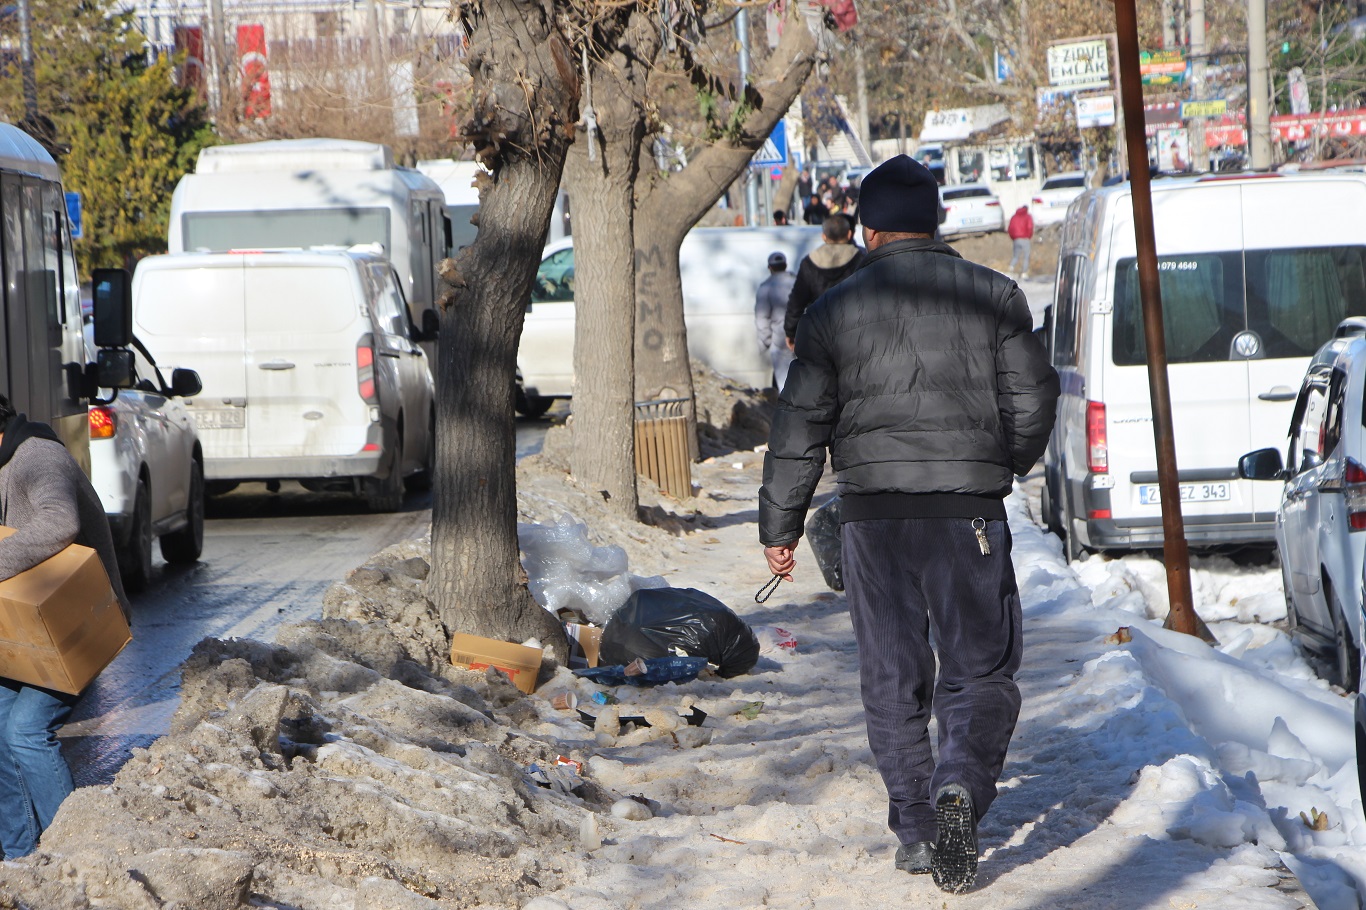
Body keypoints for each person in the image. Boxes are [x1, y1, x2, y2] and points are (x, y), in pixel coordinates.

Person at [758, 155, 1059, 894]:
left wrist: (781, 524)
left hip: (873, 521)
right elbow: (1033, 402)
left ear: (866, 227)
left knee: (892, 676)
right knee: (979, 669)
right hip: (967, 519)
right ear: (937, 220)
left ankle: (921, 829)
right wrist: (998, 468)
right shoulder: (995, 296)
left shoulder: (831, 313)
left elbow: (800, 424)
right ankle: (959, 782)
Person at [0, 395, 129, 860]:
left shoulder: (39, 457)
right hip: (24, 629)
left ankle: (77, 854)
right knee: (0, 729)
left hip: (79, 624)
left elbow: (61, 521)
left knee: (26, 732)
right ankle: (19, 856)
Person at [783, 214, 864, 347]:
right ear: (849, 234)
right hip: (855, 335)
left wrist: (790, 331)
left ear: (824, 236)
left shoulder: (809, 262)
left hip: (819, 336)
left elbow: (796, 302)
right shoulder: (861, 259)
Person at [754, 252, 798, 390]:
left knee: (785, 385)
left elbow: (762, 318)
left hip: (780, 341)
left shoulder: (766, 287)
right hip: (803, 338)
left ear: (770, 267)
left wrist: (765, 342)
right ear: (785, 265)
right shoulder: (797, 282)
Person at [1007, 205, 1034, 279]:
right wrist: (1028, 236)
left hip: (1016, 239)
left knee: (1016, 256)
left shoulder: (1014, 217)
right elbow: (1030, 227)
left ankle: (1011, 267)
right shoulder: (1028, 216)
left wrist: (1013, 237)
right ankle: (1024, 273)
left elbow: (1010, 228)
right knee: (1026, 256)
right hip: (1025, 239)